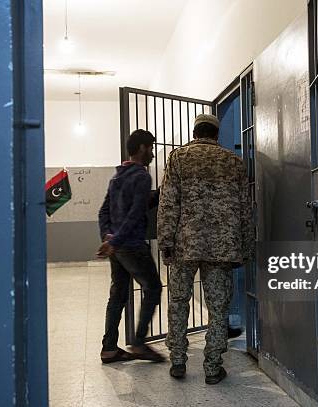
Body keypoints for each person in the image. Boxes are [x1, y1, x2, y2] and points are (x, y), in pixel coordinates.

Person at [158, 114, 255, 384]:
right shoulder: (233, 161)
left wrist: (166, 241)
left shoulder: (178, 158)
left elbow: (168, 203)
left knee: (178, 302)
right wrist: (246, 246)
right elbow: (245, 208)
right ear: (216, 134)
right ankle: (212, 367)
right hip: (221, 248)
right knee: (218, 307)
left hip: (184, 245)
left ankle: (178, 360)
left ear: (194, 132)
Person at [97, 129, 165, 363]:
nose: (153, 154)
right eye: (151, 148)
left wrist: (108, 237)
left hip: (117, 248)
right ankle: (138, 343)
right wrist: (115, 241)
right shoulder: (142, 176)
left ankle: (109, 348)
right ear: (142, 148)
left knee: (117, 295)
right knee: (154, 288)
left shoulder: (118, 177)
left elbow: (104, 211)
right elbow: (135, 214)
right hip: (132, 245)